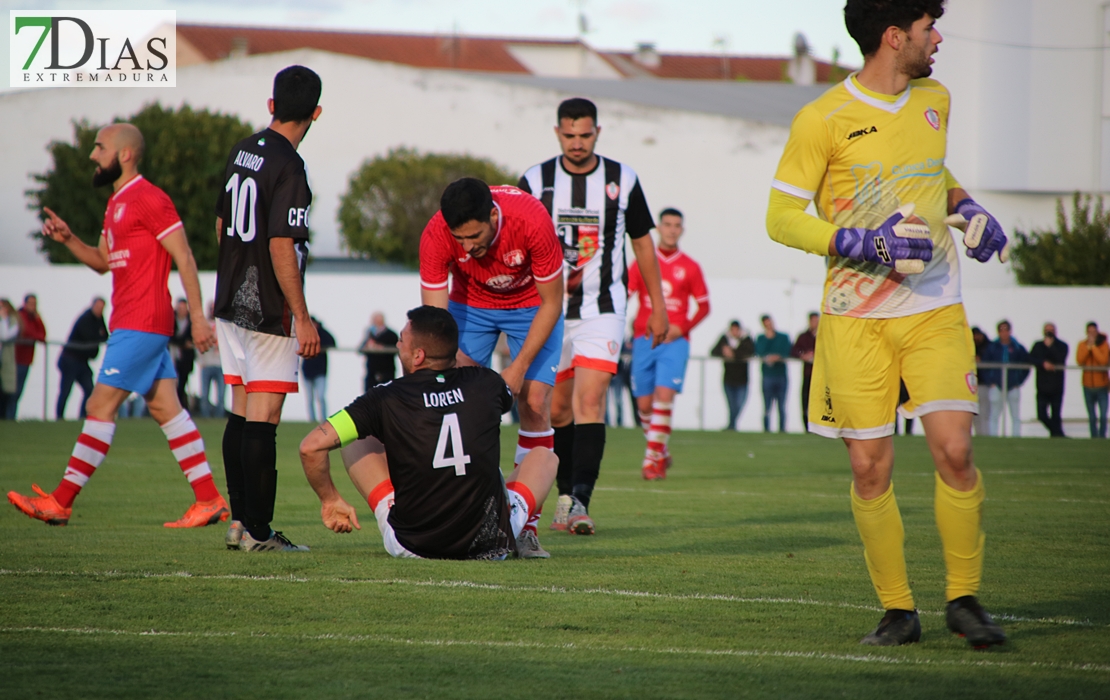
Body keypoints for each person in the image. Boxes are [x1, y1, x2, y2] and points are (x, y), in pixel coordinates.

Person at [765, 0, 1008, 648]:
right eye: (930, 27)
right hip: (855, 319)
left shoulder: (937, 98)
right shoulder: (822, 119)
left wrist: (968, 207)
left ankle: (964, 599)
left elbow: (934, 170)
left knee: (956, 452)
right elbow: (781, 217)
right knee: (871, 470)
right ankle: (898, 610)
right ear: (894, 36)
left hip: (935, 307)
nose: (939, 37)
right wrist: (862, 241)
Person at [8, 122, 226, 528]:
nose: (93, 155)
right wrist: (70, 239)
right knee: (165, 408)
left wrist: (198, 319)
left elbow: (185, 257)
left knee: (98, 405)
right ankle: (209, 499)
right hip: (132, 320)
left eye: (100, 147)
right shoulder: (115, 204)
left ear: (124, 155)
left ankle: (61, 501)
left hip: (142, 321)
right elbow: (103, 262)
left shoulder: (149, 198)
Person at [298, 305, 558, 560]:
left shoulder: (385, 397)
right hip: (488, 545)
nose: (398, 346)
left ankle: (388, 502)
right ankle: (519, 528)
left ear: (418, 355)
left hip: (413, 545)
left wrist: (330, 500)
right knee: (545, 456)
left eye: (401, 340)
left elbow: (311, 447)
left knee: (356, 440)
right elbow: (507, 387)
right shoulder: (486, 383)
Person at [518, 97, 668, 535]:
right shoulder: (535, 179)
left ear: (598, 132)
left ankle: (581, 498)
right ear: (557, 133)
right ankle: (564, 495)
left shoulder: (622, 178)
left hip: (603, 308)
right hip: (549, 310)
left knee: (590, 398)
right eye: (569, 135)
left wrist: (657, 306)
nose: (578, 143)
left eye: (585, 135)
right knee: (555, 407)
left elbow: (642, 243)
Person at [419, 177, 564, 557]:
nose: (467, 247)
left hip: (533, 304)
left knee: (534, 402)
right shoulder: (436, 233)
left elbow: (552, 303)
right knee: (450, 395)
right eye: (459, 239)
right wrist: (446, 367)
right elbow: (435, 320)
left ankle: (525, 526)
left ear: (493, 215)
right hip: (470, 306)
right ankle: (457, 513)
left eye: (474, 236)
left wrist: (517, 368)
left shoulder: (532, 220)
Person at [214, 65, 323, 553]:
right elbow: (282, 244)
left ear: (271, 105)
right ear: (316, 113)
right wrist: (301, 314)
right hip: (267, 311)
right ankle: (258, 533)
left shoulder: (243, 149)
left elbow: (222, 227)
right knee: (263, 417)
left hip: (230, 304)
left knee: (239, 414)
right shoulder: (291, 167)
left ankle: (240, 522)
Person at [628, 208, 710, 480]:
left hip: (675, 341)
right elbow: (623, 295)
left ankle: (651, 461)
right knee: (644, 406)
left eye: (677, 225)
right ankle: (661, 451)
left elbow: (704, 306)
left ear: (681, 230)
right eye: (667, 224)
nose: (672, 229)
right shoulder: (642, 262)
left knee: (664, 397)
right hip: (644, 339)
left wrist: (681, 327)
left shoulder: (690, 266)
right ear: (658, 228)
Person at [55, 297, 108, 420]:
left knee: (89, 389)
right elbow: (89, 337)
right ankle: (59, 417)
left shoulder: (99, 319)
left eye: (102, 308)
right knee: (66, 390)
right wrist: (99, 338)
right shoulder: (85, 319)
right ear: (92, 306)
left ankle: (83, 416)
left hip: (82, 361)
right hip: (70, 359)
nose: (100, 310)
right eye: (98, 307)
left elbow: (104, 335)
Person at [980, 320, 1030, 437]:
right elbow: (984, 366)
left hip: (1013, 386)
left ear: (1010, 331)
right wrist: (990, 381)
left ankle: (1016, 437)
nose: (1004, 333)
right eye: (1001, 330)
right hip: (996, 386)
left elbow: (1026, 365)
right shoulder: (992, 347)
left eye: (1006, 330)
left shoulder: (1017, 347)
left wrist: (1019, 381)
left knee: (1015, 415)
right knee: (994, 414)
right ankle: (993, 438)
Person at [711, 321, 756, 431]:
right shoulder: (724, 339)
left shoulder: (746, 339)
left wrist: (733, 353)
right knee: (731, 405)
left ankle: (731, 425)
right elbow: (713, 351)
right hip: (728, 378)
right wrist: (724, 352)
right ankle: (732, 426)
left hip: (742, 379)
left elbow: (750, 351)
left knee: (739, 404)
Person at [9, 294, 47, 420]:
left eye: (35, 304)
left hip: (26, 360)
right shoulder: (21, 316)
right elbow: (28, 332)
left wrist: (37, 318)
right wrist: (36, 334)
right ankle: (7, 417)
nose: (33, 307)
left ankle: (11, 418)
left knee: (18, 391)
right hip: (15, 359)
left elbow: (42, 335)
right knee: (11, 391)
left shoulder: (33, 318)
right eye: (31, 303)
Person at [1029, 323, 1069, 438]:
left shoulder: (1062, 345)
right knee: (1041, 415)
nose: (1049, 333)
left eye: (1051, 330)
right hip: (1042, 386)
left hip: (1057, 386)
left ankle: (1056, 436)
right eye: (1047, 330)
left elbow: (1061, 359)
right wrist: (1042, 363)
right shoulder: (1038, 345)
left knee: (1056, 415)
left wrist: (1051, 347)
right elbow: (1030, 358)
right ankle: (1059, 434)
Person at [755, 315, 791, 433]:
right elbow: (759, 352)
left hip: (780, 375)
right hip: (767, 375)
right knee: (767, 406)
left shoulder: (783, 337)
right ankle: (766, 429)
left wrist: (777, 357)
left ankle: (782, 429)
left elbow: (786, 351)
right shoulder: (761, 338)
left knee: (781, 405)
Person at [1077, 321, 1109, 438]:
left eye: (1093, 332)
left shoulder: (1104, 345)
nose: (1091, 334)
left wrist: (1094, 347)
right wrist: (1088, 348)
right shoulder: (1082, 345)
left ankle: (1102, 436)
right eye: (1089, 332)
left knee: (1103, 415)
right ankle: (1093, 437)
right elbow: (1080, 360)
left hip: (1101, 385)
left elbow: (1103, 361)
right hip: (1087, 385)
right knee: (1091, 415)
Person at [302, 316, 336, 423]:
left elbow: (332, 343)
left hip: (320, 371)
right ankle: (311, 420)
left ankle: (323, 419)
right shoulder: (304, 333)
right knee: (310, 398)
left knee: (320, 397)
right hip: (308, 371)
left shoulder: (323, 333)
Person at [790, 312, 820, 431]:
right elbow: (794, 351)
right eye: (813, 321)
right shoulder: (803, 336)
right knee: (806, 400)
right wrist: (803, 355)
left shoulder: (825, 335)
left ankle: (820, 428)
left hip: (821, 376)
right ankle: (807, 427)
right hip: (808, 374)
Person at [196, 302, 224, 417]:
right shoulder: (203, 326)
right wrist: (200, 361)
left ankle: (219, 418)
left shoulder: (223, 326)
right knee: (204, 394)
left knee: (221, 395)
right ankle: (205, 417)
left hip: (221, 364)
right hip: (206, 364)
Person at [360, 312, 399, 392]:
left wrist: (381, 348)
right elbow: (360, 349)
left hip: (386, 372)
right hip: (371, 372)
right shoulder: (370, 334)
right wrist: (368, 345)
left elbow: (397, 349)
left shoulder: (391, 335)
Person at [169, 298, 196, 409]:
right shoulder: (170, 320)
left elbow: (192, 339)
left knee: (182, 383)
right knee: (171, 382)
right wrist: (183, 343)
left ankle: (181, 406)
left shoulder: (192, 321)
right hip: (172, 355)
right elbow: (170, 337)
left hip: (185, 359)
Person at [0, 298, 24, 419]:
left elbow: (5, 336)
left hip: (6, 359)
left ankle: (6, 417)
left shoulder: (13, 321)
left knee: (6, 390)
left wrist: (4, 319)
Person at [970, 326, 991, 436]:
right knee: (974, 414)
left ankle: (986, 435)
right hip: (972, 384)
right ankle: (979, 434)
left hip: (984, 383)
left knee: (985, 413)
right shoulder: (967, 346)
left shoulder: (988, 347)